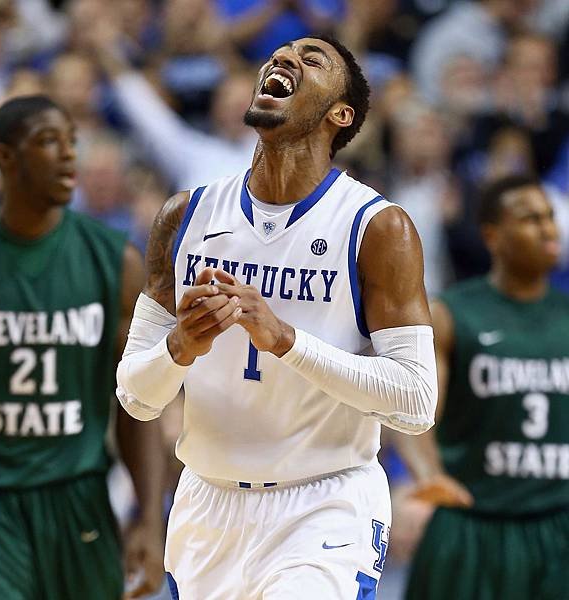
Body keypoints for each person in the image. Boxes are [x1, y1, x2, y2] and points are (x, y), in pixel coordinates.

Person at [117, 36, 437, 599]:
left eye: (312, 60)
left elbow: (415, 402)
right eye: (280, 54)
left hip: (325, 503)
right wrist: (180, 350)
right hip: (206, 504)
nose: (284, 59)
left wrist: (287, 340)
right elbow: (136, 396)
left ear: (341, 115)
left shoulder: (376, 227)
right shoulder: (185, 217)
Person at [0, 95, 165, 600]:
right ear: (6, 157)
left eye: (71, 142)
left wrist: (148, 515)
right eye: (48, 142)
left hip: (79, 495)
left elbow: (136, 401)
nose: (68, 155)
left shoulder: (113, 262)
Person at [395, 175, 569, 600]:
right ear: (493, 236)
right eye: (530, 218)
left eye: (549, 217)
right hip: (473, 520)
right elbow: (411, 413)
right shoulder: (453, 314)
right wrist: (429, 474)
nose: (548, 228)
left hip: (558, 517)